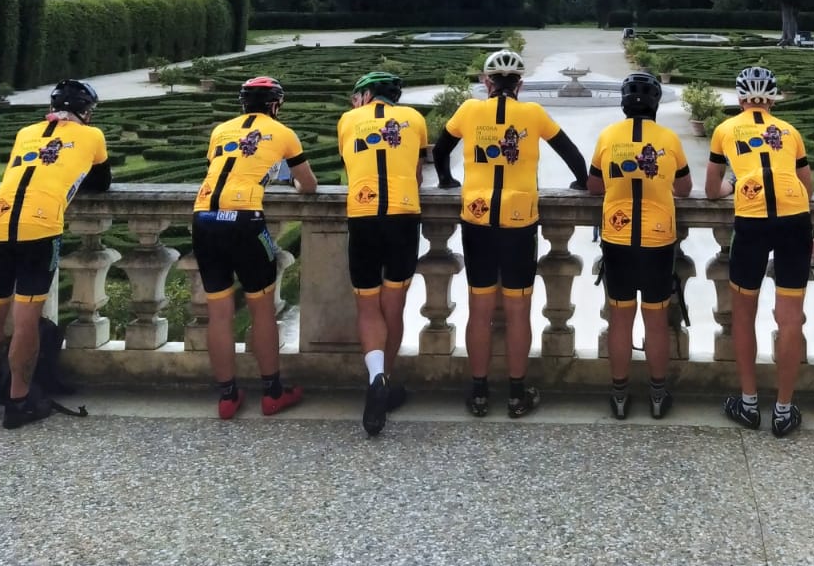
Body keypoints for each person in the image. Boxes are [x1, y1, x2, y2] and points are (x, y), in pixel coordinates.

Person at [430, 48, 588, 419]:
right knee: (518, 311)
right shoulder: (532, 114)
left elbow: (440, 151)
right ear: (520, 83)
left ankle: (480, 392)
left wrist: (447, 180)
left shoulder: (469, 110)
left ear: (487, 82)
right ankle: (517, 393)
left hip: (477, 217)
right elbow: (573, 155)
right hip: (519, 220)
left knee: (480, 308)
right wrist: (580, 183)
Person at [0, 79, 111, 429]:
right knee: (25, 318)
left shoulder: (26, 131)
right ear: (85, 112)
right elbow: (101, 181)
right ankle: (19, 400)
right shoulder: (92, 136)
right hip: (40, 224)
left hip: (0, 219)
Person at [193, 75, 317, 420]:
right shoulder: (283, 133)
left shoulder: (221, 130)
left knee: (218, 313)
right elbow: (308, 185)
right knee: (262, 308)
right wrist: (289, 179)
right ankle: (273, 392)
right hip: (245, 221)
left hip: (203, 217)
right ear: (275, 105)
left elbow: (218, 170)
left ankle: (228, 397)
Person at [705, 65, 813, 438]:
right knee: (790, 319)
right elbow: (806, 184)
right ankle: (783, 410)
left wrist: (734, 183)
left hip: (751, 220)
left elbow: (710, 189)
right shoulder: (790, 131)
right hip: (795, 218)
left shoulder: (724, 130)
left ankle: (748, 404)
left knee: (743, 314)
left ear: (740, 99)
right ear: (772, 99)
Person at [588, 71, 691, 420]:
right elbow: (686, 188)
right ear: (656, 103)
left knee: (620, 319)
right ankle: (658, 396)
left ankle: (619, 396)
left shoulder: (607, 136)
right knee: (656, 320)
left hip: (617, 237)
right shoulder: (669, 139)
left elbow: (593, 185)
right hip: (658, 239)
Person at [337, 70, 430, 436]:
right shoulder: (415, 119)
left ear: (366, 94)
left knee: (367, 306)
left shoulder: (347, 121)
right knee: (394, 307)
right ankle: (385, 385)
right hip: (404, 216)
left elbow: (350, 167)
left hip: (363, 216)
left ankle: (376, 377)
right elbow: (419, 174)